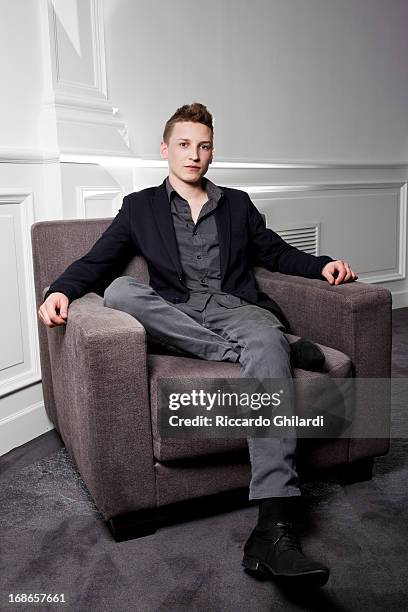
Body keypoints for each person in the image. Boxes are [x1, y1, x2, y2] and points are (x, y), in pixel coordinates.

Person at [38, 102, 357, 589]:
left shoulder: (237, 204)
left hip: (237, 310)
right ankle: (264, 353)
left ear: (213, 152)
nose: (194, 154)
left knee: (262, 334)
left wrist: (322, 265)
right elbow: (98, 262)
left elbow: (274, 252)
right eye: (184, 145)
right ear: (165, 149)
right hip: (178, 312)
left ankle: (274, 526)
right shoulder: (139, 206)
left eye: (203, 146)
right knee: (121, 291)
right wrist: (58, 289)